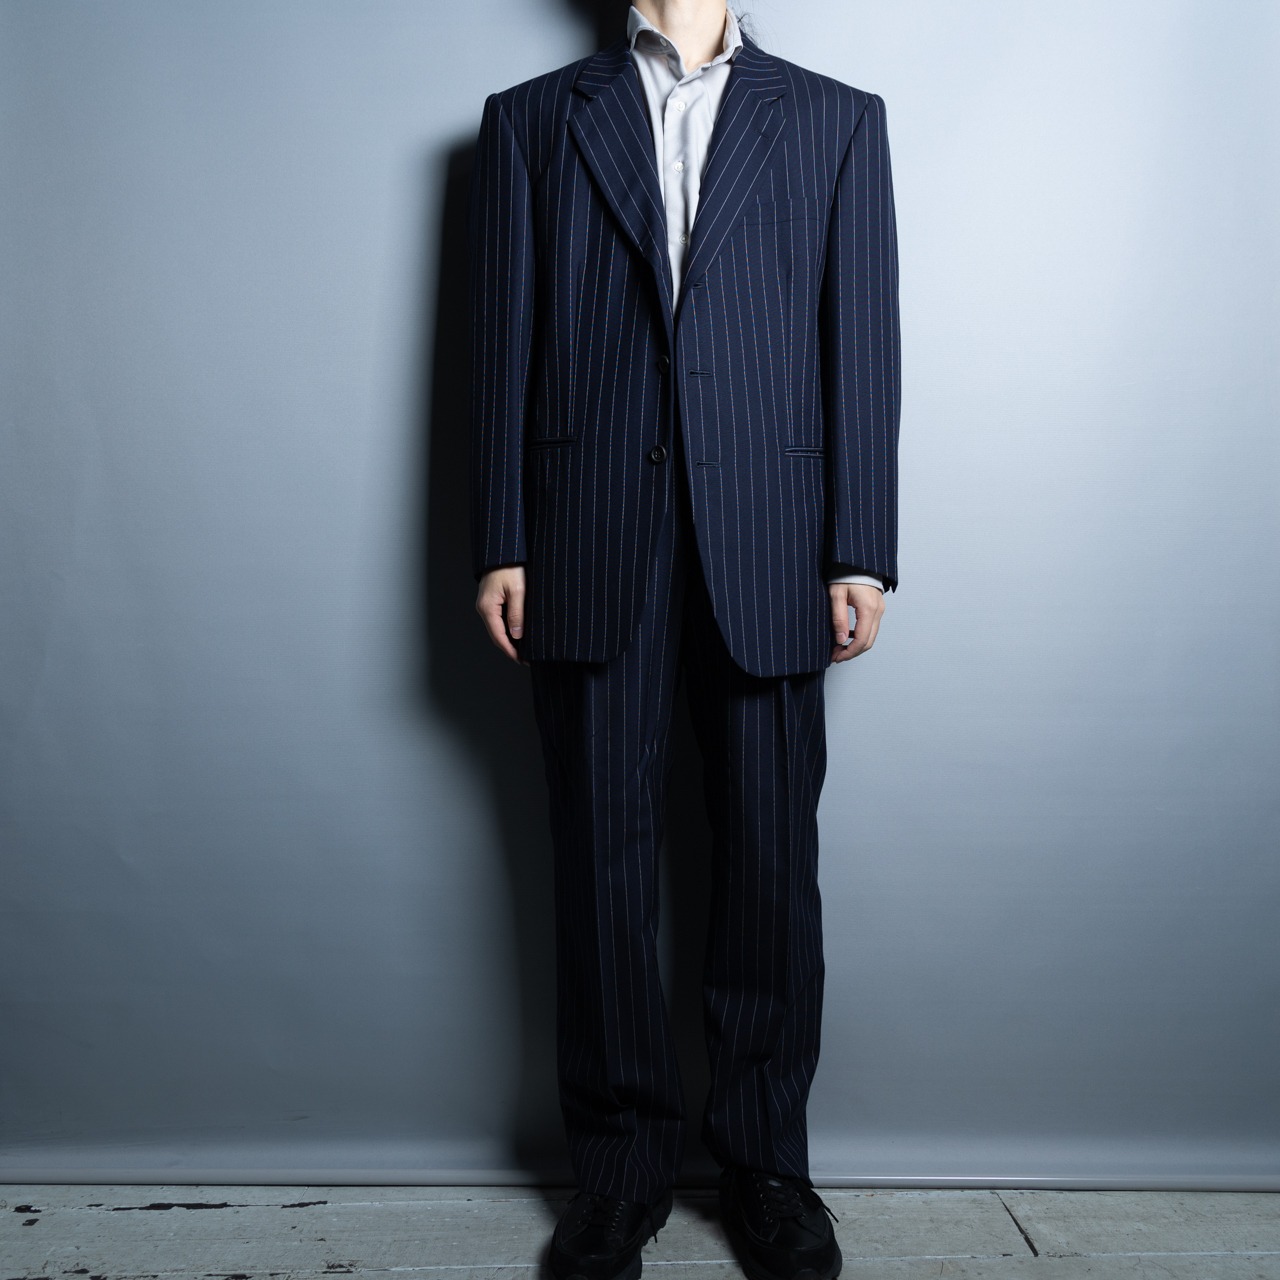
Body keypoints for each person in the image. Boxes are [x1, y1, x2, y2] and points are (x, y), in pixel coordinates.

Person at [469, 1, 899, 1275]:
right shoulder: (532, 121)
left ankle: (766, 1165)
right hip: (588, 531)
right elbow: (498, 341)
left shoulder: (833, 119)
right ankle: (618, 1170)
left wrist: (858, 543)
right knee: (599, 864)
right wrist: (502, 534)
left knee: (768, 863)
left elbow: (860, 337)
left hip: (768, 537)